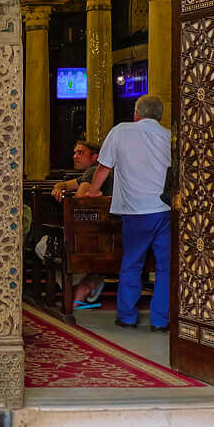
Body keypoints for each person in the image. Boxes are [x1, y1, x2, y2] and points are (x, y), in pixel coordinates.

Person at [84, 94, 172, 332]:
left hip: (135, 210)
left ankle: (127, 317)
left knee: (132, 262)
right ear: (160, 116)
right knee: (166, 267)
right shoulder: (168, 136)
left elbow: (104, 167)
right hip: (164, 210)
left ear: (136, 113)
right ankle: (160, 321)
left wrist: (93, 191)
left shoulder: (121, 131)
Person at [51, 139, 109, 309]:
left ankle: (87, 282)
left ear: (94, 157)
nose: (75, 156)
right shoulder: (89, 173)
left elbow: (79, 202)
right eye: (75, 152)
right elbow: (64, 184)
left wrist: (67, 196)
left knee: (45, 244)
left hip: (90, 231)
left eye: (80, 153)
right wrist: (58, 187)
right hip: (97, 229)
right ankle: (86, 282)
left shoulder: (93, 173)